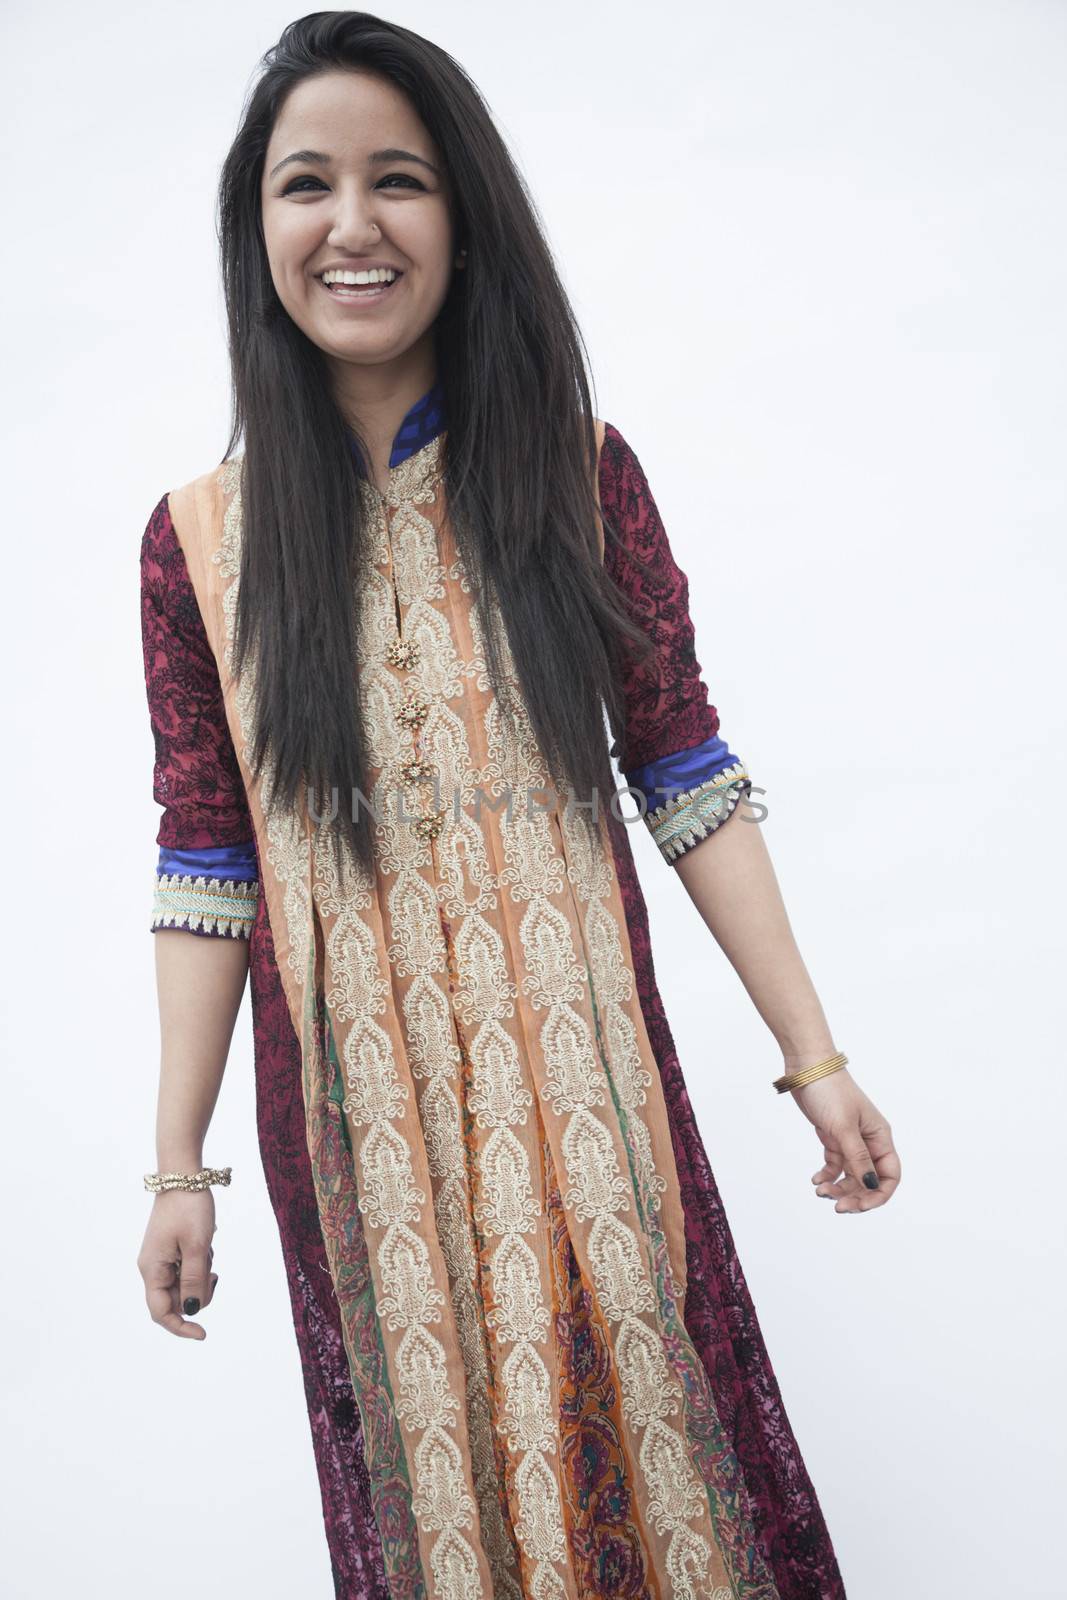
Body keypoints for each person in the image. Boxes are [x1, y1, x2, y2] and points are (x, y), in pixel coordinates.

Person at [137, 12, 899, 1598]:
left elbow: (686, 767)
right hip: (361, 1131)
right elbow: (208, 858)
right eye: (307, 186)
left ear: (465, 223)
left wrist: (814, 1060)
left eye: (399, 180)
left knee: (656, 1471)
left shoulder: (573, 473)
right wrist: (176, 1168)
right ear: (253, 229)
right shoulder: (200, 544)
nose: (352, 225)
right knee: (441, 1517)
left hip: (587, 1101)